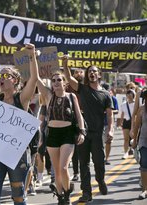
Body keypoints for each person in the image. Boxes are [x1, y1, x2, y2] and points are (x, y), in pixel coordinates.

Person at [0, 43, 39, 205]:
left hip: (18, 156)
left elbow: (34, 79)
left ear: (15, 80)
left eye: (5, 76)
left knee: (18, 197)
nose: (1, 79)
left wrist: (32, 56)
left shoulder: (21, 99)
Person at [63, 55, 113, 203]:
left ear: (98, 75)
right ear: (87, 75)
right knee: (83, 164)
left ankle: (100, 179)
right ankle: (86, 193)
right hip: (83, 134)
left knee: (99, 162)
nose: (92, 73)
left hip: (97, 134)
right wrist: (65, 65)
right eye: (89, 71)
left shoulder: (105, 94)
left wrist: (109, 130)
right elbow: (69, 78)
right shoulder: (82, 89)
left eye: (94, 71)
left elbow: (110, 116)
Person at [37, 72, 85, 205]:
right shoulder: (47, 96)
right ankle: (60, 196)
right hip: (52, 134)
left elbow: (78, 115)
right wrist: (32, 58)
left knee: (64, 167)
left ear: (65, 83)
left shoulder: (71, 96)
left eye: (59, 80)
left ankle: (67, 193)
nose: (56, 82)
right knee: (57, 169)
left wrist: (82, 132)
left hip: (68, 133)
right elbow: (35, 77)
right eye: (53, 80)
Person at [66, 68, 85, 182]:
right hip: (71, 120)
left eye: (81, 71)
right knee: (75, 148)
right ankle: (76, 172)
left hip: (84, 119)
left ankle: (83, 171)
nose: (78, 73)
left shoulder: (86, 86)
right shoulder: (68, 87)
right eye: (76, 72)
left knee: (83, 148)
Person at [131, 89, 147, 200]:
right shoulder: (141, 110)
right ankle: (145, 190)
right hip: (143, 141)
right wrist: (135, 141)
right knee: (144, 164)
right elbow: (137, 126)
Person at [102, 84, 119, 165]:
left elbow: (117, 110)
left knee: (108, 141)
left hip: (109, 123)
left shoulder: (113, 99)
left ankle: (107, 158)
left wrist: (109, 111)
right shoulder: (100, 98)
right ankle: (101, 157)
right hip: (100, 123)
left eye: (107, 90)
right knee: (99, 142)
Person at [119, 89, 135, 159]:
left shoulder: (136, 104)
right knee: (126, 138)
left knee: (134, 138)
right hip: (126, 121)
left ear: (133, 95)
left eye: (130, 93)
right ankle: (126, 153)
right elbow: (122, 114)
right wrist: (121, 122)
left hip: (134, 122)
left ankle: (134, 151)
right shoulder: (123, 104)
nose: (129, 95)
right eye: (127, 93)